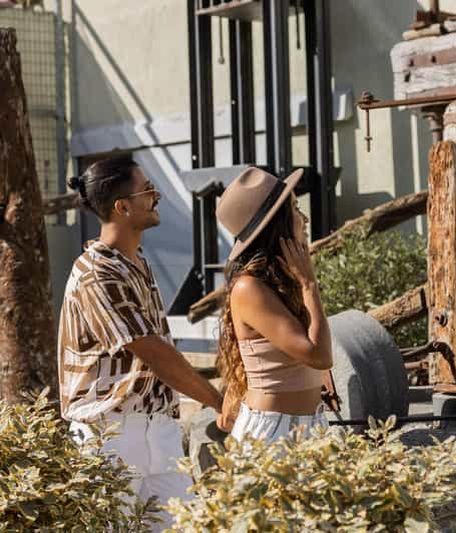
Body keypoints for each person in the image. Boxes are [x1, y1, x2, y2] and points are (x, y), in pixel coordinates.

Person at [58, 157, 223, 531]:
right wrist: (216, 399)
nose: (157, 196)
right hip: (108, 436)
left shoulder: (136, 263)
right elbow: (153, 351)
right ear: (122, 207)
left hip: (157, 429)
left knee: (188, 525)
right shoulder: (96, 273)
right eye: (148, 189)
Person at [214, 167, 333, 443]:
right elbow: (320, 355)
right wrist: (309, 285)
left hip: (311, 425)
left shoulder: (283, 280)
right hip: (271, 432)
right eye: (294, 208)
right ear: (276, 224)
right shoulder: (249, 288)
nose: (303, 218)